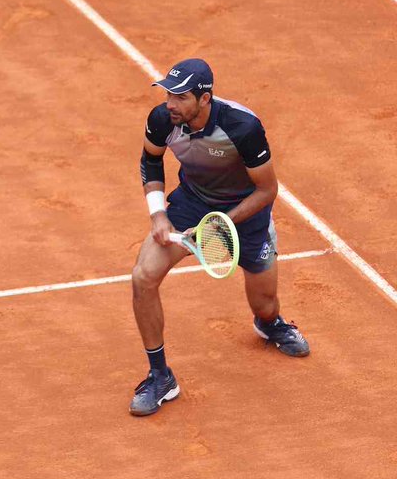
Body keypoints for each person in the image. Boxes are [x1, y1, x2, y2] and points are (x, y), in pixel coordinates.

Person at [130, 59, 309, 417]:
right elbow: (150, 160)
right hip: (192, 205)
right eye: (168, 94)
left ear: (204, 98)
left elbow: (267, 190)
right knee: (142, 277)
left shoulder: (242, 127)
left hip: (245, 214)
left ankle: (269, 324)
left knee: (265, 305)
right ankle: (160, 376)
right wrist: (158, 214)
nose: (170, 103)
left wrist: (219, 225)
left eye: (180, 97)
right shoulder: (163, 119)